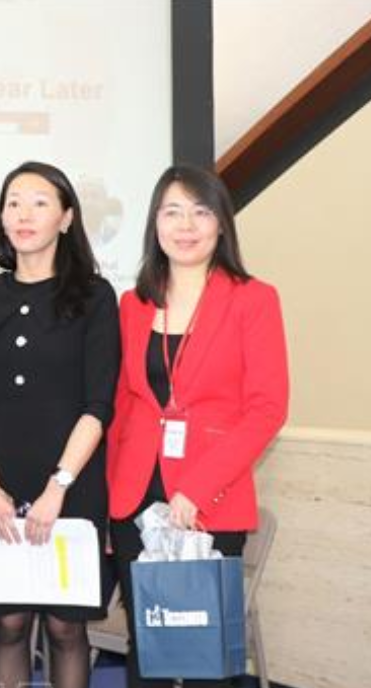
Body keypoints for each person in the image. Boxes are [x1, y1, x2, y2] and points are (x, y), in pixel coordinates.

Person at [107, 165, 289, 688]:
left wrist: (197, 489)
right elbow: (123, 406)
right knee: (147, 648)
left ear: (221, 224)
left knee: (204, 657)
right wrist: (110, 500)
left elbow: (267, 408)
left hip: (209, 499)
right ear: (155, 224)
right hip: (136, 499)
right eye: (172, 212)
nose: (185, 225)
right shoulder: (133, 304)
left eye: (200, 211)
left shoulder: (253, 299)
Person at [0, 161, 119, 688]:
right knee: (9, 623)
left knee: (66, 627)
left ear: (66, 218)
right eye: (13, 203)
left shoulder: (94, 296)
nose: (23, 214)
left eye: (40, 203)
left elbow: (99, 404)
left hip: (73, 482)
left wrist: (58, 486)